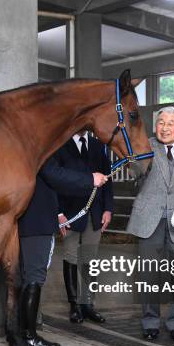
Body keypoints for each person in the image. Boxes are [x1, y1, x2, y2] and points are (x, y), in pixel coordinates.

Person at [18, 156, 108, 346]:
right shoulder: (40, 145)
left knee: (27, 276)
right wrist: (90, 179)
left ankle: (21, 333)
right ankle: (29, 335)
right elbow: (55, 174)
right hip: (37, 219)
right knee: (34, 276)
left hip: (30, 218)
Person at [127, 107, 174, 342]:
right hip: (149, 220)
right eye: (160, 123)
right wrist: (135, 158)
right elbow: (134, 172)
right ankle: (150, 322)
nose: (164, 128)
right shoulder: (145, 146)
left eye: (170, 123)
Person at [55, 130, 113, 324]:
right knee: (71, 256)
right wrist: (59, 213)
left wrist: (108, 209)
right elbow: (54, 180)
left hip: (95, 212)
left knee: (91, 258)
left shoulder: (97, 146)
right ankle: (74, 305)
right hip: (70, 214)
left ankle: (88, 305)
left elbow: (108, 180)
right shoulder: (61, 145)